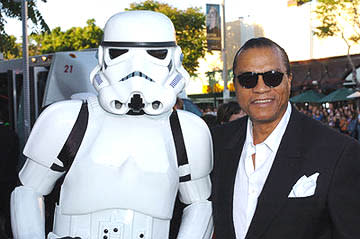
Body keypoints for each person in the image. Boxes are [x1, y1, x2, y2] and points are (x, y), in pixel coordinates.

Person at [11, 11, 213, 239]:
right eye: (120, 53)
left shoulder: (188, 132)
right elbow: (28, 192)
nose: (137, 67)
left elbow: (200, 206)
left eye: (156, 54)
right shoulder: (66, 119)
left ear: (175, 59)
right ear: (102, 56)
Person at [211, 37, 360, 238]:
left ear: (289, 80)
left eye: (272, 77)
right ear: (235, 85)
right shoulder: (216, 142)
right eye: (248, 78)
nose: (260, 87)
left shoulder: (338, 152)